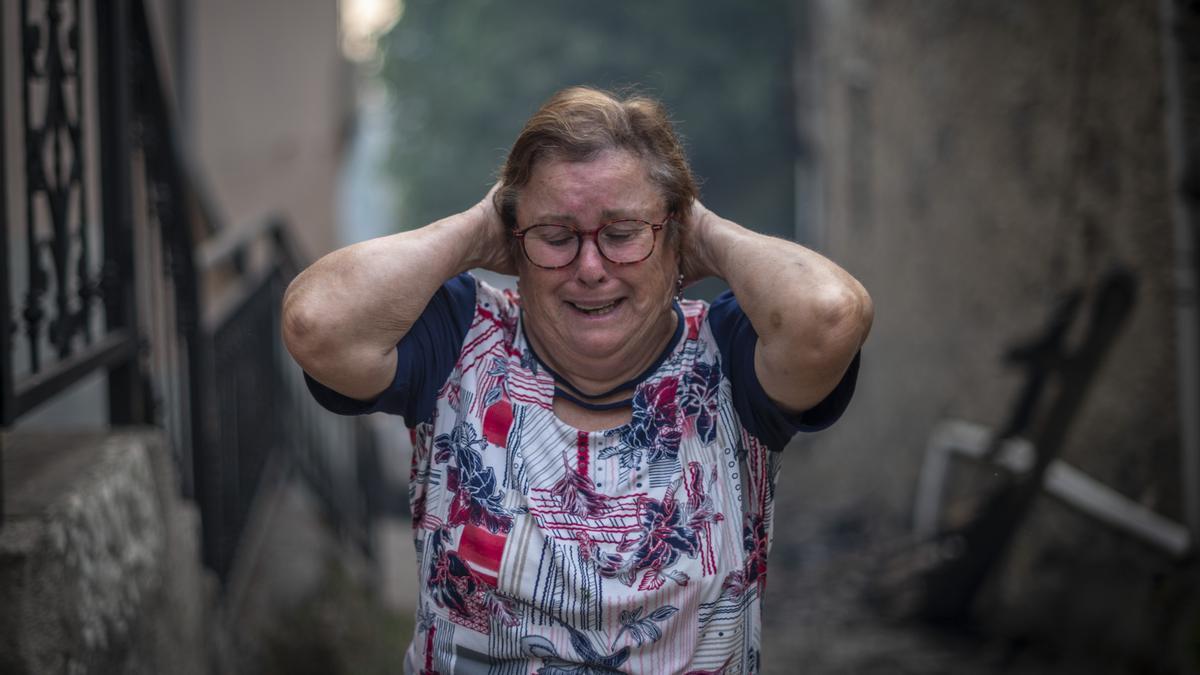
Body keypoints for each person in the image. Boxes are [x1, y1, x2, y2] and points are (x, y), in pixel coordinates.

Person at [282, 86, 872, 674]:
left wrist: (706, 232)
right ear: (513, 244)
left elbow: (830, 315)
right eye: (557, 236)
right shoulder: (459, 339)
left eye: (622, 234)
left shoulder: (731, 359)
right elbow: (316, 324)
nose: (590, 269)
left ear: (674, 238)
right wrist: (473, 230)